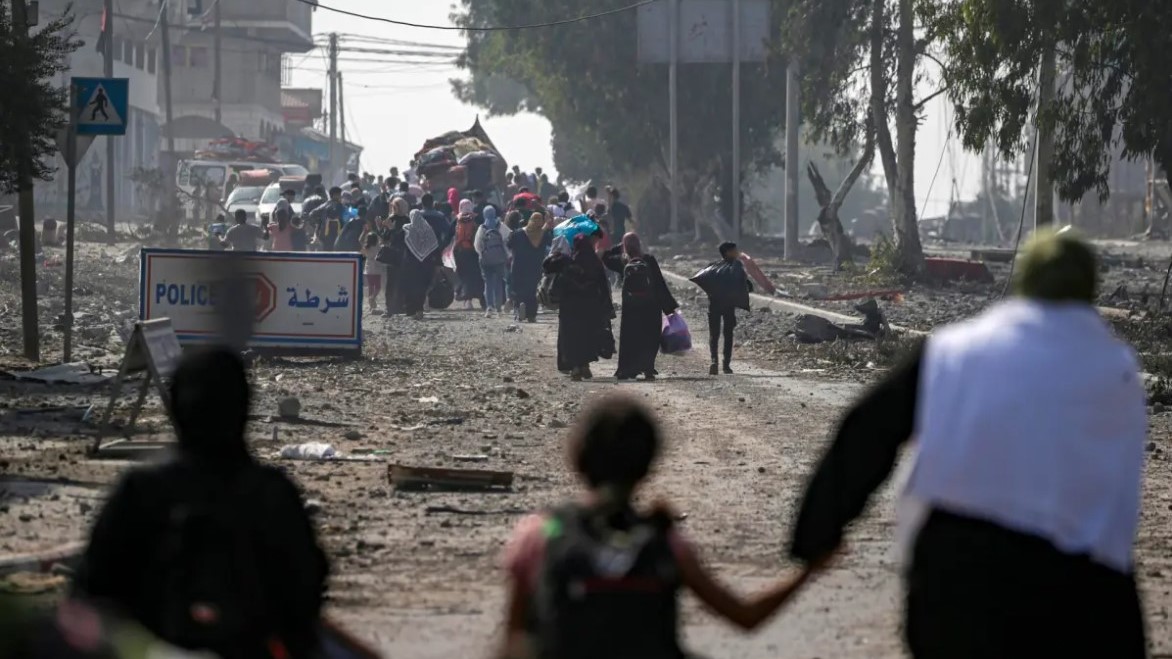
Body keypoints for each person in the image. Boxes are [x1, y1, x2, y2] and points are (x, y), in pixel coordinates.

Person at [790, 230, 1149, 658]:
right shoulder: (1120, 372)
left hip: (955, 576)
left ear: (1023, 283)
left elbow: (865, 431)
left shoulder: (953, 351)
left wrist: (817, 534)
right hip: (1079, 585)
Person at [498, 396, 821, 659]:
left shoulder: (543, 532)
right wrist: (810, 568)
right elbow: (746, 616)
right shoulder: (663, 540)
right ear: (647, 465)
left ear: (578, 457)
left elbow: (512, 641)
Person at [73, 347, 329, 659]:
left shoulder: (141, 491)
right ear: (242, 407)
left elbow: (91, 596)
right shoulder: (272, 494)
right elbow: (305, 596)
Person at [602, 233, 678, 381]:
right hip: (651, 305)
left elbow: (605, 257)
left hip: (631, 306)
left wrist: (619, 247)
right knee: (650, 337)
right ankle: (648, 369)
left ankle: (627, 369)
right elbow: (659, 283)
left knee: (631, 338)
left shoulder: (623, 260)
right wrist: (669, 307)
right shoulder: (649, 259)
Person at [543, 233, 614, 381]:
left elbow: (546, 266)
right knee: (587, 336)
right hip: (590, 306)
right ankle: (585, 366)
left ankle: (575, 367)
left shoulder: (567, 260)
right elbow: (603, 286)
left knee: (571, 337)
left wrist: (556, 255)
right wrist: (606, 308)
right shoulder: (595, 262)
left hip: (570, 307)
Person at [706, 242, 751, 375]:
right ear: (728, 252)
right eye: (734, 250)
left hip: (713, 304)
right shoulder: (736, 265)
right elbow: (742, 281)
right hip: (728, 305)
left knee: (714, 335)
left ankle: (714, 361)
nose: (737, 252)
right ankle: (726, 365)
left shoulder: (713, 266)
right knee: (728, 334)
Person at [508, 212, 552, 323]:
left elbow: (509, 244)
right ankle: (532, 314)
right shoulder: (543, 235)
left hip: (519, 266)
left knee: (519, 290)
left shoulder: (518, 233)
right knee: (533, 290)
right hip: (536, 267)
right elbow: (550, 243)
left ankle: (519, 309)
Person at [398, 209, 440, 320]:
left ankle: (411, 311)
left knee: (410, 288)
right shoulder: (429, 230)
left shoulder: (407, 229)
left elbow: (398, 243)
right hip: (426, 265)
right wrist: (438, 263)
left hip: (410, 265)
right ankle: (419, 310)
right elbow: (435, 247)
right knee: (421, 289)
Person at [475, 206, 511, 318]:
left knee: (488, 283)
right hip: (500, 259)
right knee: (499, 283)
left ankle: (489, 307)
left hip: (486, 260)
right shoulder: (500, 226)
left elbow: (477, 245)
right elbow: (509, 238)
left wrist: (482, 254)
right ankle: (499, 308)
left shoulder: (482, 227)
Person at [380, 198, 411, 314]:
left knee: (403, 281)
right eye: (394, 206)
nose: (394, 209)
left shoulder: (408, 220)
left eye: (396, 206)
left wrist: (392, 230)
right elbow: (385, 238)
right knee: (391, 282)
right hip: (393, 254)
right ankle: (390, 307)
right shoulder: (391, 219)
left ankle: (401, 306)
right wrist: (383, 228)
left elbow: (405, 236)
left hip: (404, 254)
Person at [452, 199, 485, 311]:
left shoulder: (457, 219)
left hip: (460, 251)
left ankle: (467, 300)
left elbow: (449, 234)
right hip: (474, 251)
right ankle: (482, 299)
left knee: (464, 276)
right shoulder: (477, 218)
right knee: (476, 275)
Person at [363, 232, 384, 314]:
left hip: (368, 269)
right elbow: (382, 241)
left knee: (370, 287)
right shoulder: (378, 247)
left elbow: (360, 240)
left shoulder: (366, 247)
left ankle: (371, 306)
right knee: (378, 287)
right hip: (376, 268)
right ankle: (373, 297)